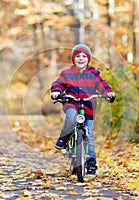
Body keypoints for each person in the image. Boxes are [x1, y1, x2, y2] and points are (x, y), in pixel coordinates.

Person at [50, 44, 115, 176]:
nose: (81, 59)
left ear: (88, 59)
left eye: (84, 56)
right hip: (72, 103)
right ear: (74, 59)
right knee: (71, 118)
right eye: (78, 56)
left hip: (88, 106)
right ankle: (63, 138)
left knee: (89, 135)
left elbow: (102, 84)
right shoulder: (67, 74)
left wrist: (108, 93)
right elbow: (58, 83)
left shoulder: (93, 74)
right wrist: (56, 92)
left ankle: (91, 165)